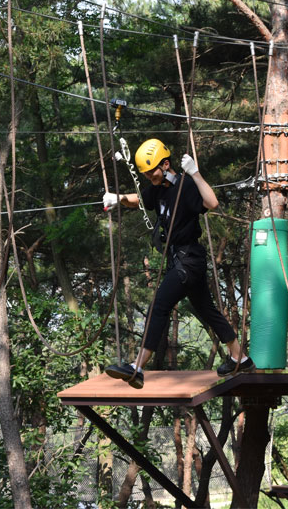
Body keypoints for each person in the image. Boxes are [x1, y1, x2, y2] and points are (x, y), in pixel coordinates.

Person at [101, 139, 253, 389]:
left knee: (158, 307)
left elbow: (212, 203)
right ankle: (240, 358)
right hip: (181, 261)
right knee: (207, 309)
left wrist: (195, 173)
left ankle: (137, 368)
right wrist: (118, 198)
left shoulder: (185, 186)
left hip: (188, 260)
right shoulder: (158, 188)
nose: (149, 176)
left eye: (152, 171)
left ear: (166, 164)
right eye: (146, 173)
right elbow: (139, 199)